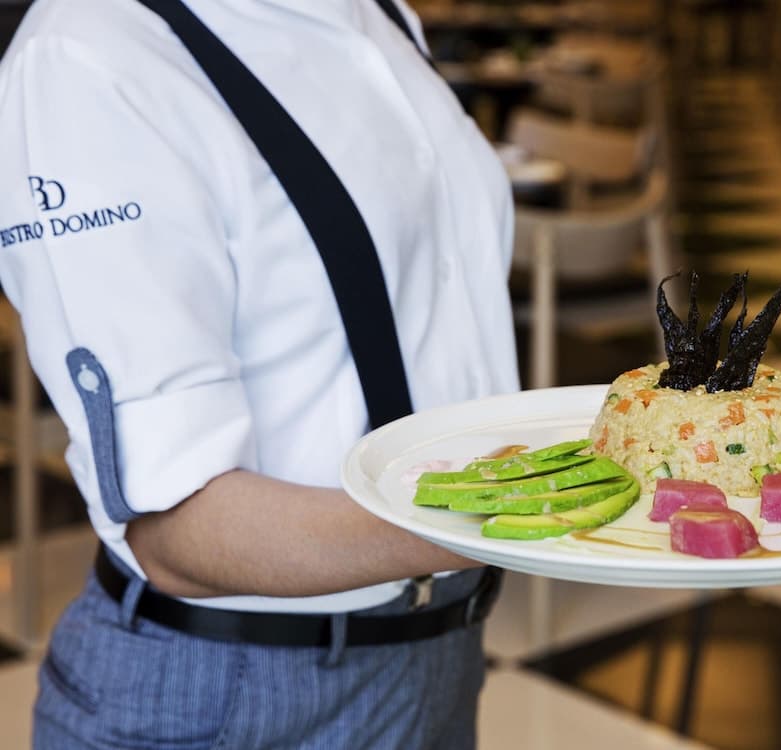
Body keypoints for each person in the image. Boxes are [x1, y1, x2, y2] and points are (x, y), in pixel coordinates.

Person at [0, 0, 520, 747]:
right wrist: (539, 513)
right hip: (228, 694)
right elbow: (178, 532)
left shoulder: (381, 13)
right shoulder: (91, 52)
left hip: (444, 650)